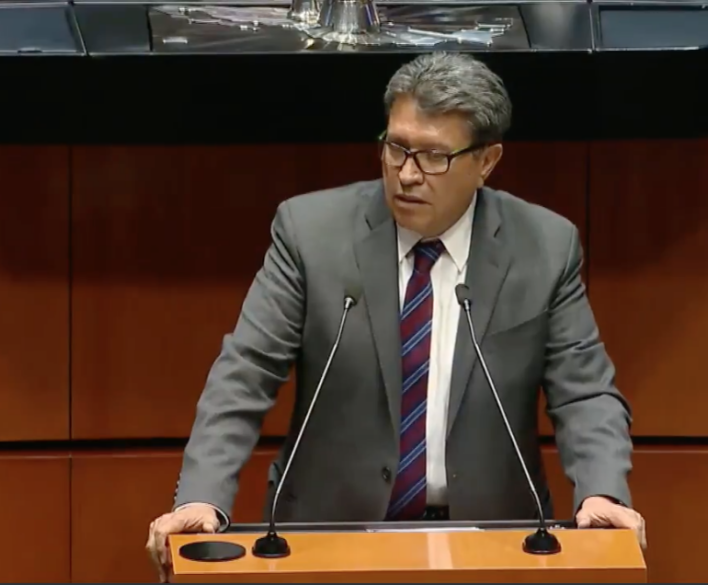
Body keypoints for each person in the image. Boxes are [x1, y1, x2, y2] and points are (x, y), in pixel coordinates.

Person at [146, 51, 645, 581]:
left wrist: (602, 492)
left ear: (486, 162)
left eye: (433, 157)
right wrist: (201, 497)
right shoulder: (311, 233)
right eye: (396, 148)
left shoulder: (544, 246)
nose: (407, 174)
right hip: (328, 540)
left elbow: (585, 393)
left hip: (494, 541)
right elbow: (244, 373)